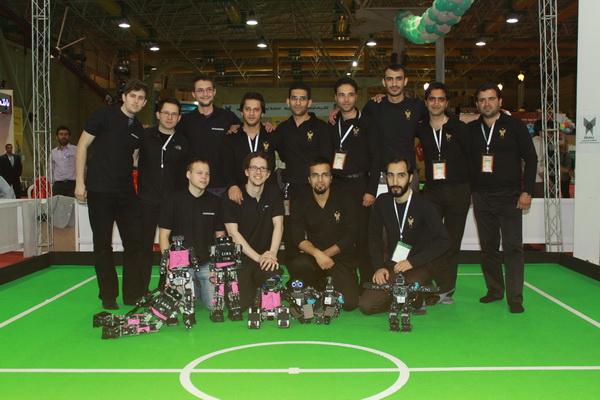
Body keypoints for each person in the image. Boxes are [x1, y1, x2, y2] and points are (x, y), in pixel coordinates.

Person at [75, 78, 148, 310]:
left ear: (145, 103)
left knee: (135, 243)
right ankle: (108, 296)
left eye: (141, 98)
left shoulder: (138, 129)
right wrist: (80, 182)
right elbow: (82, 146)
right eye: (133, 96)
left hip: (126, 193)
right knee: (102, 245)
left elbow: (133, 159)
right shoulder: (103, 115)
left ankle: (131, 295)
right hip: (99, 191)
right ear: (124, 97)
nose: (136, 101)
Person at [467, 83, 537, 314]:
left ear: (500, 101)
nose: (487, 103)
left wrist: (527, 191)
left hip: (510, 197)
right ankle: (495, 290)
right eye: (482, 100)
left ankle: (515, 298)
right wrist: (470, 191)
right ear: (477, 104)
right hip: (481, 196)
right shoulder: (472, 129)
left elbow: (531, 158)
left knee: (512, 247)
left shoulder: (515, 125)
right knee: (488, 247)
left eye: (491, 99)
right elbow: (467, 162)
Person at [358, 156, 451, 316]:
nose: (395, 181)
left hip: (420, 265)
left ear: (410, 177)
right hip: (394, 265)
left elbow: (444, 241)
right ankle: (412, 297)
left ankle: (418, 292)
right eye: (390, 175)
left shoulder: (424, 204)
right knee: (366, 306)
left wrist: (412, 262)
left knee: (413, 284)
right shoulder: (382, 202)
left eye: (401, 175)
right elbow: (373, 237)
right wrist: (379, 267)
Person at [415, 82, 471, 303]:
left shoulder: (459, 128)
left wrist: (471, 191)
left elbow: (471, 158)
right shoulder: (421, 128)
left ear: (446, 103)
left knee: (452, 241)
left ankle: (447, 289)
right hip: (433, 191)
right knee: (430, 238)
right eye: (432, 99)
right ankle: (432, 283)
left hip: (459, 190)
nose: (436, 103)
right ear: (426, 102)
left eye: (440, 99)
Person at [274, 82, 332, 273]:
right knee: (293, 234)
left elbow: (326, 161)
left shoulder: (321, 128)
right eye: (294, 98)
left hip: (316, 191)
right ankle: (295, 279)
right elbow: (283, 156)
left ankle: (323, 276)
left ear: (310, 102)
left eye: (302, 98)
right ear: (288, 101)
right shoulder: (282, 129)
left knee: (319, 233)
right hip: (292, 191)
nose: (298, 103)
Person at [290, 157, 360, 311]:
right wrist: (317, 254)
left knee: (349, 303)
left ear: (331, 178)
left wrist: (325, 255)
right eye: (315, 175)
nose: (320, 180)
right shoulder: (300, 203)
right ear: (309, 179)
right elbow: (297, 238)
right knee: (300, 263)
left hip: (340, 259)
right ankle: (317, 287)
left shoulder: (345, 199)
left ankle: (333, 283)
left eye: (325, 175)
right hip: (314, 258)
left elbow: (351, 234)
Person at [330, 77, 380, 285]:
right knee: (339, 233)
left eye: (350, 95)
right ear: (336, 97)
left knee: (362, 237)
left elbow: (376, 158)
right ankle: (342, 281)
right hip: (337, 186)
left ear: (356, 96)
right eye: (341, 95)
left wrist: (371, 190)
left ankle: (367, 282)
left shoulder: (368, 122)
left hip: (360, 186)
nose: (346, 99)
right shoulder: (333, 123)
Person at [158, 158, 225, 310]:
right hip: (180, 265)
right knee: (179, 307)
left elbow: (220, 236)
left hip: (206, 265)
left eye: (207, 174)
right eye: (199, 173)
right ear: (188, 174)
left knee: (216, 307)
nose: (204, 177)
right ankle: (191, 287)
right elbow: (163, 236)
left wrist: (217, 265)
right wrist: (168, 261)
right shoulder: (173, 201)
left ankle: (199, 289)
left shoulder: (215, 202)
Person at [137, 98, 189, 292]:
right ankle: (141, 290)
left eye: (174, 114)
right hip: (147, 201)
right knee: (144, 247)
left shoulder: (183, 142)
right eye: (166, 113)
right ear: (158, 115)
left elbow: (186, 174)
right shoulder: (145, 136)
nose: (169, 117)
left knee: (176, 247)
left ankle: (171, 289)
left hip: (173, 204)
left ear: (179, 118)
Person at [222, 152, 284, 311]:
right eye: (254, 168)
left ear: (268, 174)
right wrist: (258, 257)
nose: (258, 172)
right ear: (246, 171)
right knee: (239, 306)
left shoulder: (273, 192)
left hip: (265, 256)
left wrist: (271, 254)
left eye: (263, 168)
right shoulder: (231, 197)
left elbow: (279, 225)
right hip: (241, 258)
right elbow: (233, 233)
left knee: (271, 279)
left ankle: (261, 287)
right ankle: (254, 289)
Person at [362, 63, 427, 190]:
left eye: (398, 78)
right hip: (381, 173)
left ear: (405, 81)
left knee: (411, 204)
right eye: (390, 79)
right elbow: (355, 120)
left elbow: (439, 116)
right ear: (384, 82)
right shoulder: (374, 106)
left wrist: (466, 117)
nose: (394, 83)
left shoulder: (417, 106)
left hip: (408, 172)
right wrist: (338, 111)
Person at [178, 74, 240, 197]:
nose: (205, 94)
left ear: (214, 91)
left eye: (208, 89)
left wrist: (265, 125)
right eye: (200, 90)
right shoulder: (185, 121)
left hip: (223, 187)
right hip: (195, 188)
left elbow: (247, 131)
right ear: (193, 94)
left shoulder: (228, 117)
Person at [222, 92, 278, 204]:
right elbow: (227, 166)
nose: (251, 113)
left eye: (256, 109)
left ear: (262, 113)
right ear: (241, 111)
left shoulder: (271, 135)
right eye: (247, 109)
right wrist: (232, 185)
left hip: (267, 195)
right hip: (239, 195)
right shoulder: (232, 137)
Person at [50, 126, 77, 197]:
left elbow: (83, 168)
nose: (63, 136)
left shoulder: (76, 150)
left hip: (73, 184)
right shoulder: (53, 152)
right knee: (58, 204)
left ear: (69, 137)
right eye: (61, 134)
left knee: (73, 204)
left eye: (66, 134)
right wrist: (52, 183)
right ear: (57, 137)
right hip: (58, 185)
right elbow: (50, 169)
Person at [531, 120, 546, 198]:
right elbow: (538, 164)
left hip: (536, 179)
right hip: (538, 180)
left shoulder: (536, 141)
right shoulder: (538, 142)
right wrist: (547, 181)